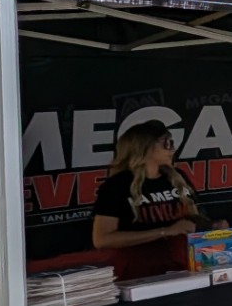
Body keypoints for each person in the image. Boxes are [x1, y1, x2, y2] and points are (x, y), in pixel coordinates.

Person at [91, 120, 212, 280]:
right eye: (167, 143)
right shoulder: (117, 185)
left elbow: (192, 222)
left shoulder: (177, 177)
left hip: (183, 268)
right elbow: (102, 239)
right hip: (138, 275)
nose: (173, 149)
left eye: (172, 143)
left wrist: (213, 227)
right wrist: (164, 232)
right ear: (145, 147)